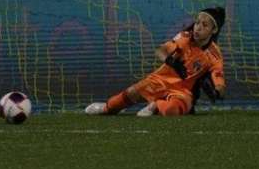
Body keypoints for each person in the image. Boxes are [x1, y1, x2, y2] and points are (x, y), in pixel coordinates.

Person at [85, 6, 226, 117]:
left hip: (182, 91)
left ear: (214, 31)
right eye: (197, 23)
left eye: (205, 25)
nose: (198, 28)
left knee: (172, 111)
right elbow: (160, 51)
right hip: (161, 79)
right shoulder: (184, 38)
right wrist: (173, 62)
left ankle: (155, 106)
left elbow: (219, 79)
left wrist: (216, 92)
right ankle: (106, 108)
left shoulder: (214, 55)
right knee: (130, 94)